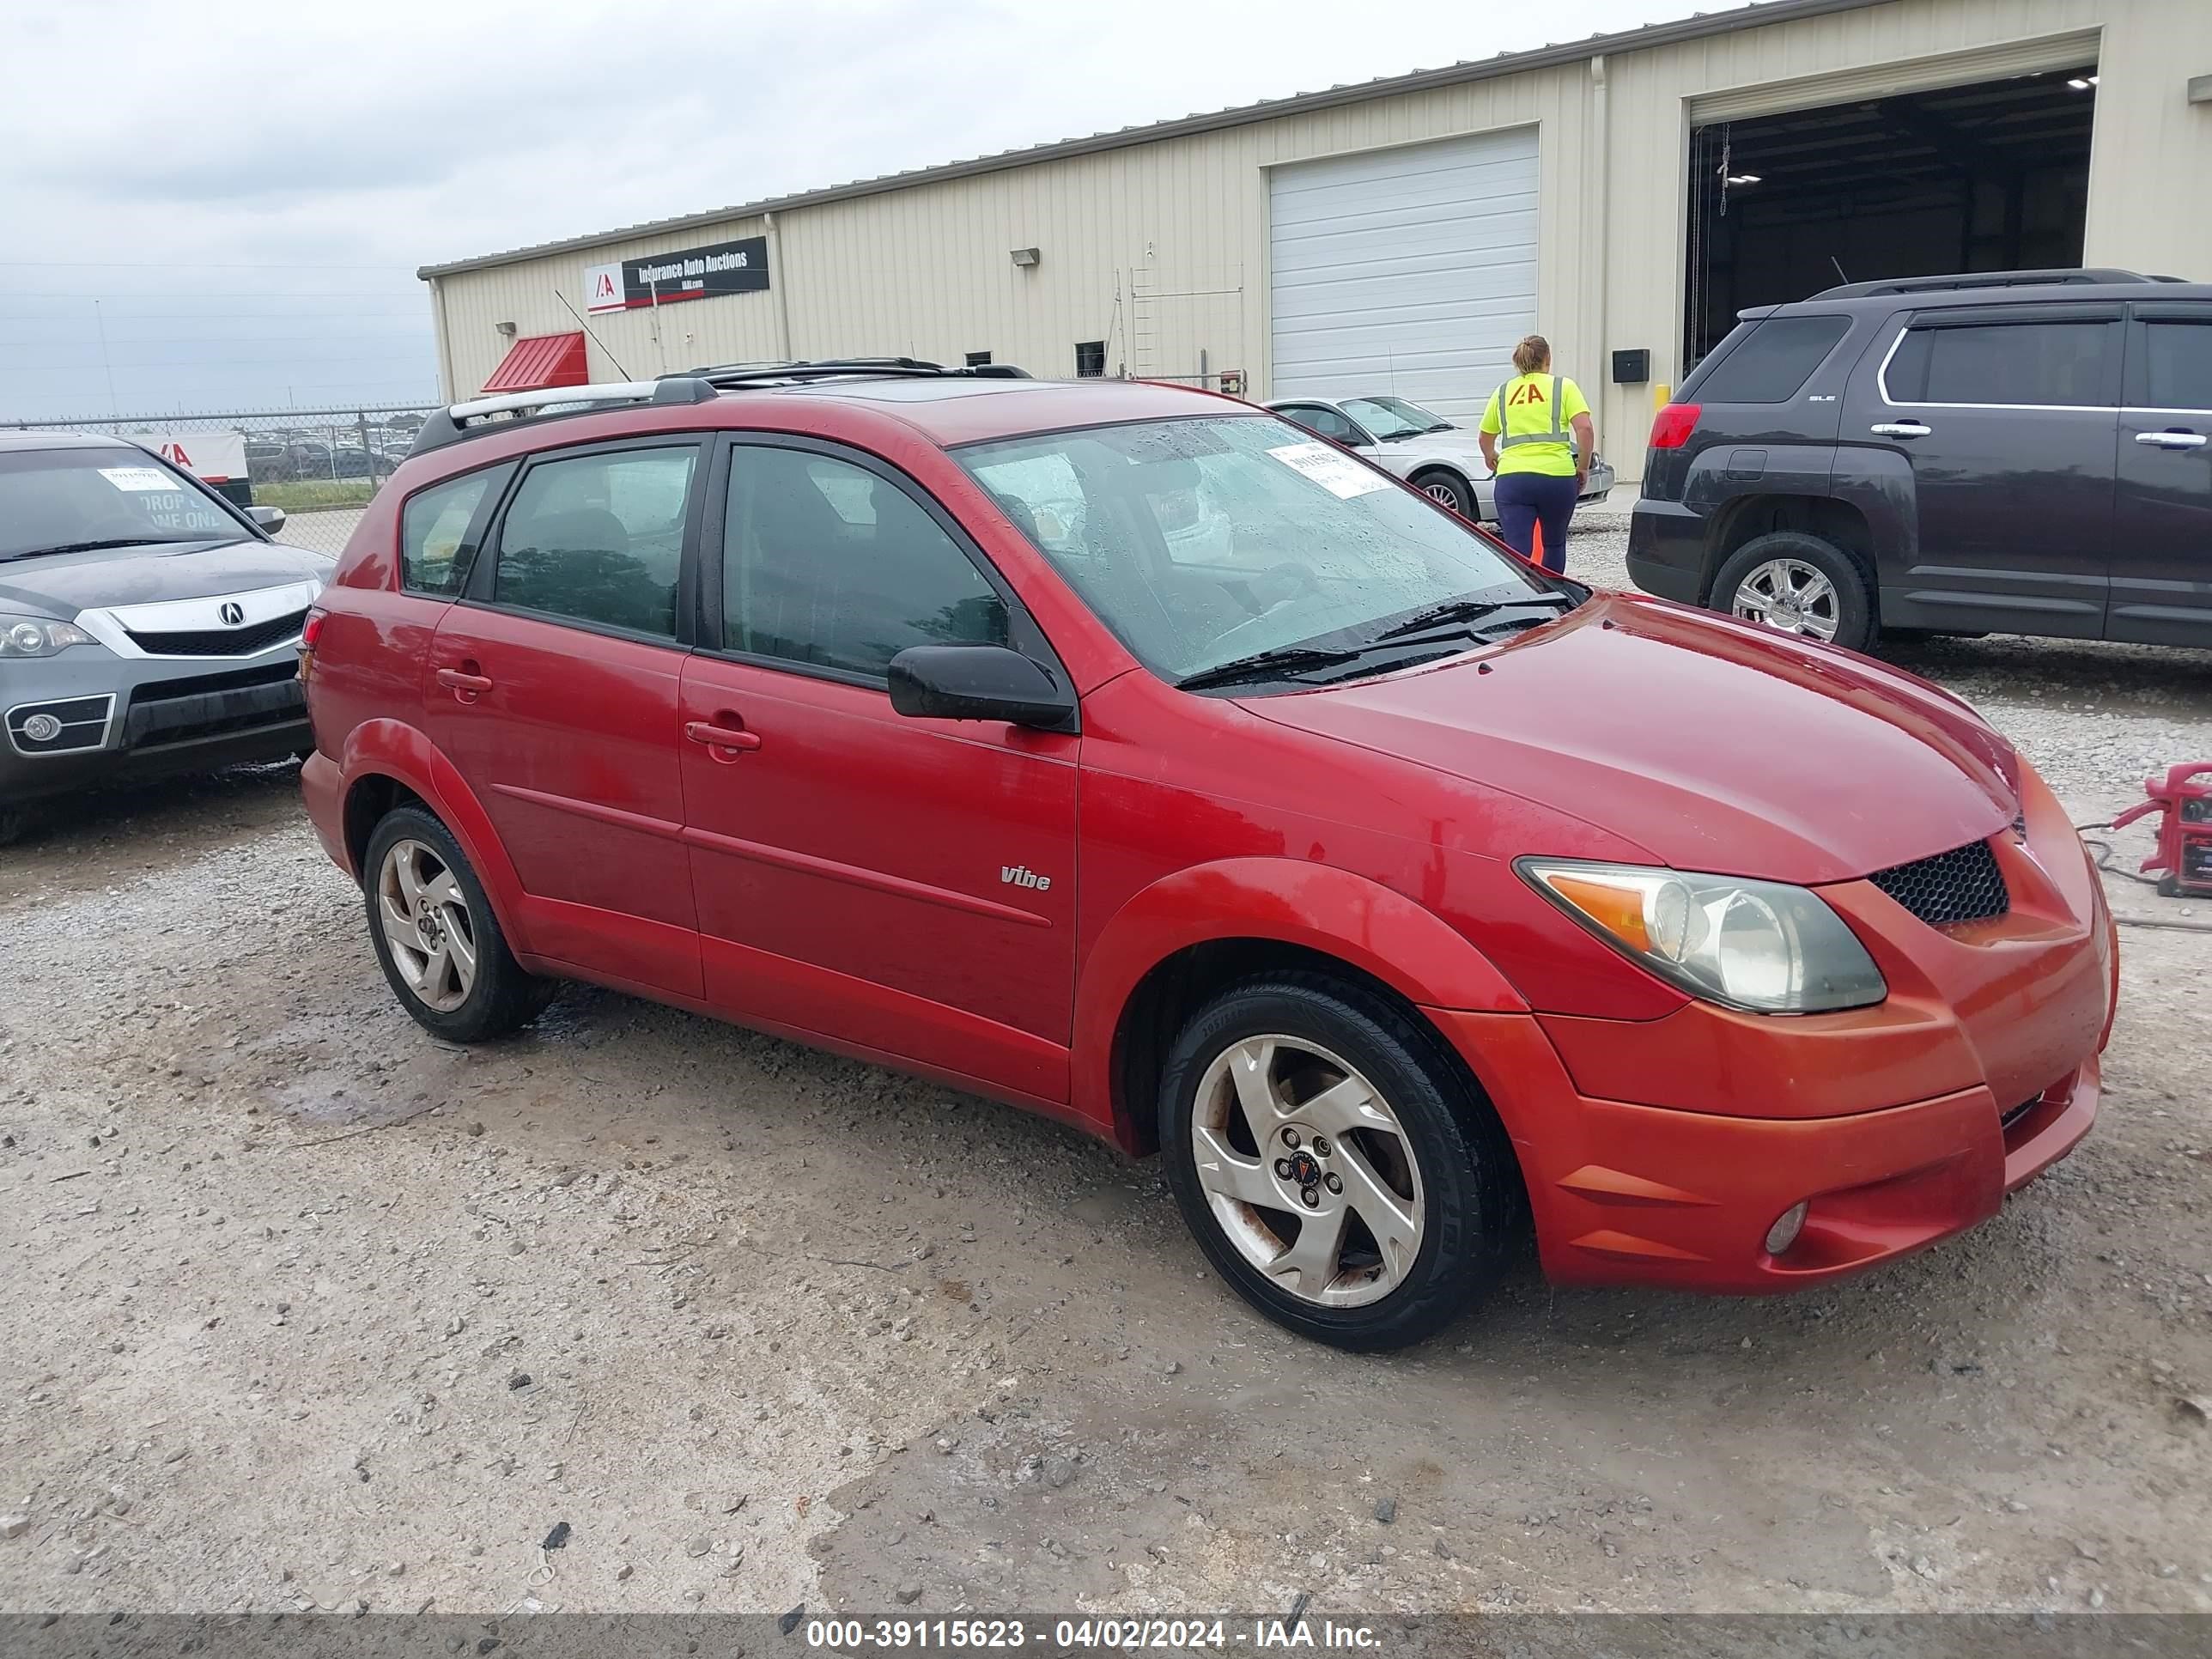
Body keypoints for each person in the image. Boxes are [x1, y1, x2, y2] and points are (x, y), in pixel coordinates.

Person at [1477, 335, 1595, 574]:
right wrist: (1582, 467)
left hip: (1514, 479)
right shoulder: (1564, 387)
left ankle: (1522, 600)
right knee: (1554, 543)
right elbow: (1585, 428)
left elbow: (1485, 436)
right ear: (1548, 359)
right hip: (1557, 478)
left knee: (1517, 549)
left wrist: (1491, 456)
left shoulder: (1502, 392)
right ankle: (1554, 598)